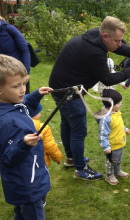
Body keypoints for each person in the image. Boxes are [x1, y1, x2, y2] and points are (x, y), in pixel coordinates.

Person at [48, 16, 130, 180]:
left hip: (61, 85)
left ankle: (72, 158)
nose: (120, 44)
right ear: (105, 36)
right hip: (68, 91)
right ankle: (80, 167)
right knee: (78, 128)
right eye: (117, 40)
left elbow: (127, 50)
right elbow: (108, 79)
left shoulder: (97, 37)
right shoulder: (95, 52)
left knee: (67, 124)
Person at [0, 54, 52, 220]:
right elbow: (7, 158)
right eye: (16, 86)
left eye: (24, 83)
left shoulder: (10, 104)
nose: (23, 89)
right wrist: (24, 144)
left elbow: (23, 105)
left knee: (21, 215)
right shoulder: (7, 123)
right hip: (27, 184)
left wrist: (36, 95)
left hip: (24, 181)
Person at [30, 102, 62, 206]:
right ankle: (41, 202)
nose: (40, 114)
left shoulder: (16, 124)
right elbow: (50, 146)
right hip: (40, 164)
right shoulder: (42, 127)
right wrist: (58, 158)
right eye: (39, 111)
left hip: (23, 165)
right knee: (40, 183)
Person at [98, 89, 130, 185]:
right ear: (110, 106)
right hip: (112, 146)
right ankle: (109, 175)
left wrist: (125, 129)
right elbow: (102, 134)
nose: (120, 104)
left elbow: (118, 124)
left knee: (118, 160)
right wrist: (106, 147)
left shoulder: (116, 112)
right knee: (111, 161)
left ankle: (117, 171)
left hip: (120, 143)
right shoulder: (106, 118)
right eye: (118, 103)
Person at [0, 16, 31, 94]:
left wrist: (26, 73)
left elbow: (25, 51)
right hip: (2, 75)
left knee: (22, 99)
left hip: (17, 72)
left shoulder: (9, 29)